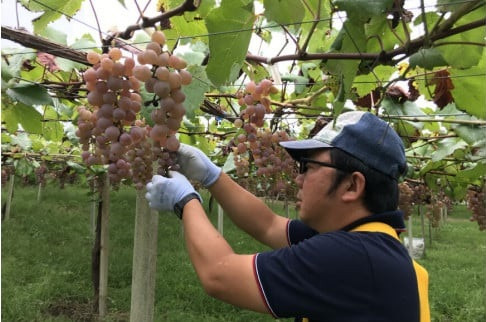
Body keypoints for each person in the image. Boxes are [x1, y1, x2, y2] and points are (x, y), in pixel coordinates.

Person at [145, 111, 430, 322]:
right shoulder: (365, 241)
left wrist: (186, 201)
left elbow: (219, 274)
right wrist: (212, 176)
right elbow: (268, 225)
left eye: (308, 166)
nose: (298, 178)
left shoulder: (353, 257)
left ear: (352, 185)